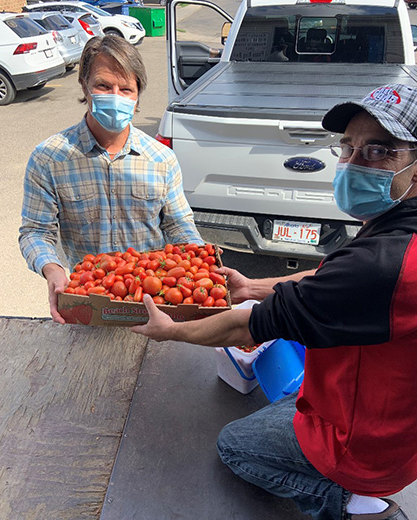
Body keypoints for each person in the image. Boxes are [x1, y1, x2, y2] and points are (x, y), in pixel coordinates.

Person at [131, 83, 417, 520]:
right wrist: (251, 287)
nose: (353, 163)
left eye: (379, 151)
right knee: (291, 397)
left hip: (367, 444)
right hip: (396, 415)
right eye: (348, 147)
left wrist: (172, 331)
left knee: (235, 446)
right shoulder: (394, 236)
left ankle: (359, 506)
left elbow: (247, 326)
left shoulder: (386, 264)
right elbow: (330, 277)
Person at [19, 35, 202, 325]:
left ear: (138, 94)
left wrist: (199, 261)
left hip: (154, 307)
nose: (115, 96)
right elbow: (35, 231)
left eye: (126, 89)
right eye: (104, 86)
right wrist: (52, 269)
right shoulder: (49, 159)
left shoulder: (161, 159)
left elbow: (178, 224)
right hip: (87, 302)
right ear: (85, 86)